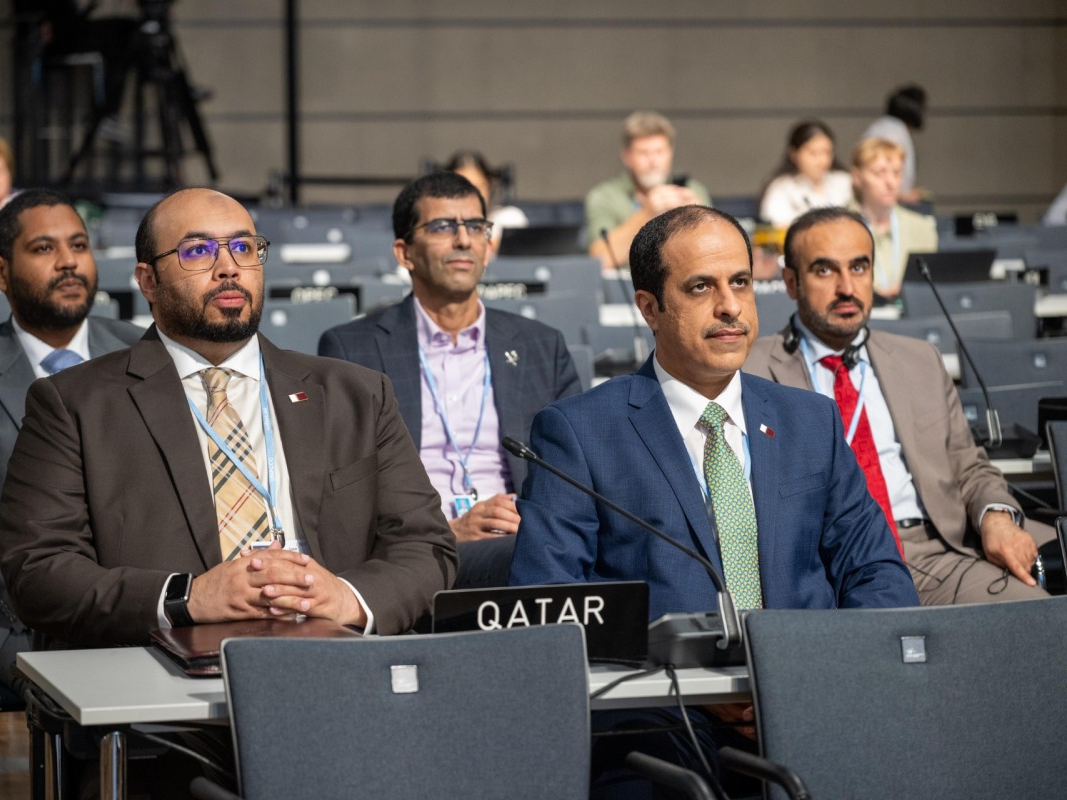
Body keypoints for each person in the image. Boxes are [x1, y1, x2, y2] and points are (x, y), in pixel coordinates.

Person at [509, 204, 916, 797]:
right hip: (661, 724)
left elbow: (876, 572)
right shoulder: (578, 432)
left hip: (817, 703)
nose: (730, 307)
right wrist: (697, 683)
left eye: (741, 283)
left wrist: (817, 680)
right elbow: (548, 608)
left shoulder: (812, 422)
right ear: (649, 307)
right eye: (701, 287)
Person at [0, 187, 457, 650]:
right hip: (165, 679)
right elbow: (38, 573)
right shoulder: (74, 405)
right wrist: (188, 597)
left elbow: (425, 544)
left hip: (338, 662)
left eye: (244, 247)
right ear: (148, 281)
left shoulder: (356, 394)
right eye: (197, 251)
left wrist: (347, 599)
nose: (229, 267)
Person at [743, 206, 1055, 605]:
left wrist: (995, 516)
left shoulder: (919, 360)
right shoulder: (752, 369)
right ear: (791, 282)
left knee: (1041, 623)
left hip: (936, 554)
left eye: (859, 268)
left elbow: (968, 464)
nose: (846, 287)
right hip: (828, 566)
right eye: (824, 271)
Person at [0, 189, 143, 691]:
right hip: (23, 613)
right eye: (44, 249)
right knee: (104, 681)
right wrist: (74, 589)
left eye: (79, 245)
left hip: (140, 599)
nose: (68, 263)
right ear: (0, 271)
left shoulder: (140, 353)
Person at [319, 172, 581, 587]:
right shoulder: (353, 350)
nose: (464, 240)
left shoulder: (540, 346)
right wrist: (445, 532)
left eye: (475, 226)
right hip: (416, 554)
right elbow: (345, 496)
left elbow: (571, 473)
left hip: (522, 540)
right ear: (405, 253)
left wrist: (530, 521)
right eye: (443, 226)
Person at [585, 111, 711, 270]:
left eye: (659, 152)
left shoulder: (692, 190)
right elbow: (600, 260)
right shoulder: (604, 196)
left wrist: (698, 218)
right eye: (644, 153)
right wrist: (646, 214)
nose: (653, 161)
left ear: (670, 153)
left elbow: (712, 255)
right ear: (627, 156)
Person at [850, 137, 937, 300]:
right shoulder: (838, 228)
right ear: (857, 177)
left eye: (897, 173)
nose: (891, 182)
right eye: (879, 173)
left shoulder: (922, 227)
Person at [758, 120, 852, 228]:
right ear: (793, 154)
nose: (822, 160)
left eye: (827, 152)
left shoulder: (844, 181)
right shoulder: (781, 187)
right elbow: (775, 227)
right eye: (813, 153)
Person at [442, 150, 529, 246]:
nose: (471, 194)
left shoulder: (509, 218)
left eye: (478, 186)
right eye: (461, 186)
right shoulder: (439, 225)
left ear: (489, 187)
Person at [862, 84, 929, 204]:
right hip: (884, 202)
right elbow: (880, 174)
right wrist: (903, 195)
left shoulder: (885, 127)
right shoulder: (892, 133)